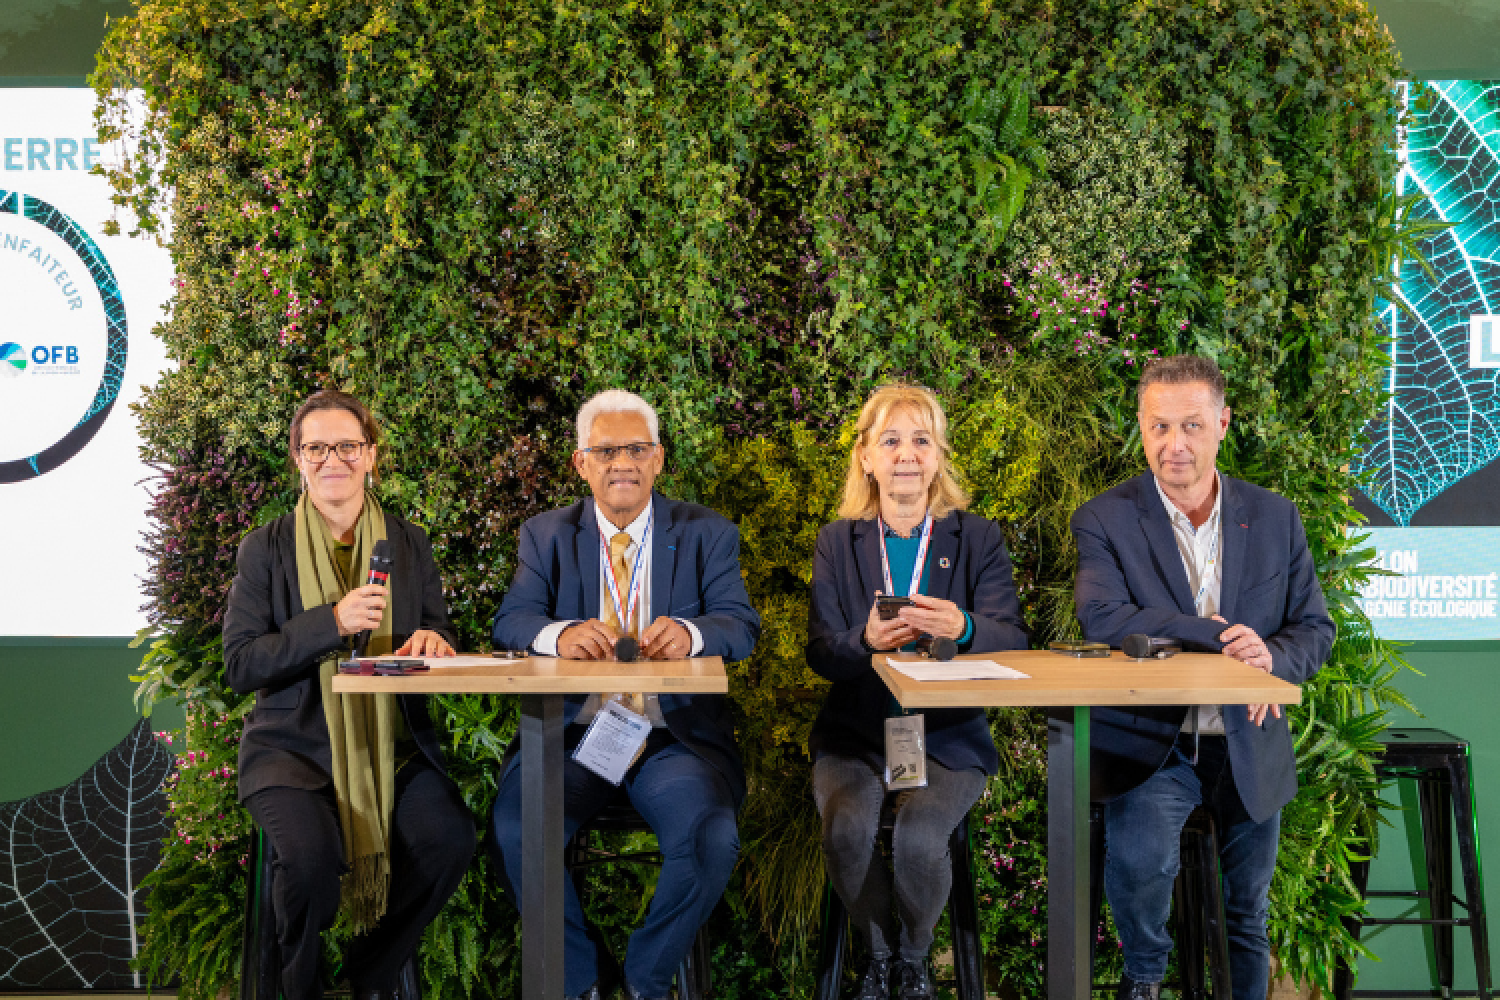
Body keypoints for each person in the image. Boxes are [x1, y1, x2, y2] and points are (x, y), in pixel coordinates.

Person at [1071, 354, 1336, 1000]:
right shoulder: (1104, 518)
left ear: (1222, 423)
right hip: (1151, 745)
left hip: (1247, 739)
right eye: (1159, 427)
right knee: (1138, 869)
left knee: (1245, 916)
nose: (1174, 445)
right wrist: (1217, 634)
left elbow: (1314, 629)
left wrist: (1270, 659)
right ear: (1140, 427)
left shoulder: (1275, 517)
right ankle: (1143, 980)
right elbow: (1103, 615)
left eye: (1190, 426)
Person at [489, 389, 761, 1000]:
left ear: (658, 459)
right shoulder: (546, 536)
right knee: (519, 828)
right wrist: (560, 636)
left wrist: (691, 634)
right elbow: (511, 622)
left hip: (673, 742)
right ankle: (582, 983)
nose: (623, 464)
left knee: (711, 837)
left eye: (636, 449)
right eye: (606, 450)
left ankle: (645, 981)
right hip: (574, 739)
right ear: (581, 463)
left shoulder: (706, 534)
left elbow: (740, 627)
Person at [224, 390, 475, 1000]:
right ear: (298, 459)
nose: (332, 459)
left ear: (371, 456)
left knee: (449, 842)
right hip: (291, 752)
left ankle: (367, 976)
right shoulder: (268, 547)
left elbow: (441, 627)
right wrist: (331, 623)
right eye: (316, 447)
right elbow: (242, 663)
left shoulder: (409, 543)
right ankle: (300, 990)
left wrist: (433, 640)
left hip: (392, 749)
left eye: (347, 445)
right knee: (308, 867)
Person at [806, 384, 1029, 1000]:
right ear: (867, 457)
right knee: (847, 830)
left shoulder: (976, 539)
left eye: (921, 440)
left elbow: (1012, 634)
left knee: (922, 837)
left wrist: (966, 626)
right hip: (855, 735)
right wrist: (864, 640)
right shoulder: (836, 542)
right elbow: (822, 652)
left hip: (949, 739)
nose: (907, 454)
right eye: (892, 440)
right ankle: (880, 962)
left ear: (939, 456)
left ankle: (914, 961)